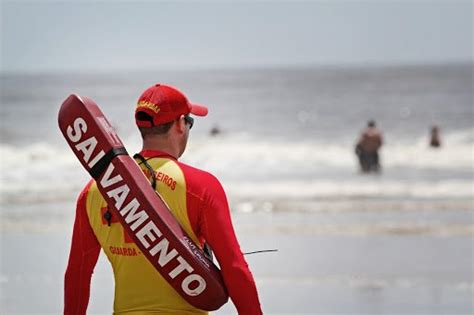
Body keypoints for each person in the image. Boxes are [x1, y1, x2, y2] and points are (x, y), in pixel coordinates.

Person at [64, 84, 263, 314]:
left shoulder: (94, 191)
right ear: (180, 124)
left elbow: (77, 274)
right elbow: (235, 269)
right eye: (190, 122)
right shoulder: (200, 186)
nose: (188, 127)